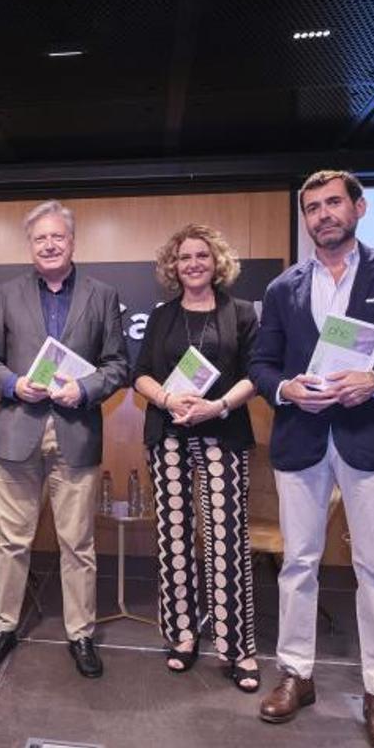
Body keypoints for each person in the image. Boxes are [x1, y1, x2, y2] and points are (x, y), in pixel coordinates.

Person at [250, 170, 374, 748]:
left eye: (333, 203)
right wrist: (286, 390)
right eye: (311, 208)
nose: (322, 215)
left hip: (372, 439)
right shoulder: (284, 287)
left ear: (358, 208)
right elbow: (261, 364)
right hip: (301, 441)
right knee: (297, 564)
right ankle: (296, 675)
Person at [0, 200, 129, 678]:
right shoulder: (9, 291)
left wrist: (83, 389)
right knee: (13, 542)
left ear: (72, 241)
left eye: (57, 236)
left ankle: (80, 634)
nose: (49, 244)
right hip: (16, 431)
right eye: (40, 238)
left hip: (75, 431)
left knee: (78, 544)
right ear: (31, 245)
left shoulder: (102, 294)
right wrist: (13, 384)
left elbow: (119, 365)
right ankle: (4, 626)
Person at [132, 224, 260, 691]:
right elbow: (140, 374)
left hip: (223, 431)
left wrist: (219, 404)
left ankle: (237, 647)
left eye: (201, 256)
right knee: (175, 538)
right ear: (174, 265)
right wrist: (168, 401)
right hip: (168, 434)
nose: (193, 264)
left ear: (217, 261)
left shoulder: (241, 314)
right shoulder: (162, 316)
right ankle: (182, 636)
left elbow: (255, 375)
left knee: (227, 540)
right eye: (184, 257)